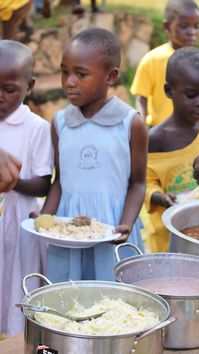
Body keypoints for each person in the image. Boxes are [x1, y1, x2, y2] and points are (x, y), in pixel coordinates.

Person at [38, 28, 147, 282]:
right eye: (64, 71)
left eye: (81, 74)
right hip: (69, 232)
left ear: (110, 76)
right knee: (68, 298)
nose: (69, 81)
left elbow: (138, 183)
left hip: (112, 229)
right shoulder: (60, 122)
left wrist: (127, 223)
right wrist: (44, 215)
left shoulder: (130, 123)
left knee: (112, 304)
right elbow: (60, 180)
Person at [145, 47, 199, 253]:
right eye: (192, 95)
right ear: (168, 91)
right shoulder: (155, 139)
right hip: (168, 238)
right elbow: (144, 181)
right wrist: (160, 198)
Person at [0, 40, 53, 337]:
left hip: (19, 221)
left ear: (29, 86)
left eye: (9, 89)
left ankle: (18, 337)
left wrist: (11, 180)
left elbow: (44, 182)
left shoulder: (36, 128)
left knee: (16, 282)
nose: (0, 96)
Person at [130, 0, 199, 127]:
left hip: (191, 132)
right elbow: (142, 98)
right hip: (158, 131)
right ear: (167, 26)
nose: (192, 32)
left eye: (196, 26)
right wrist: (141, 127)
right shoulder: (153, 59)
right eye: (184, 26)